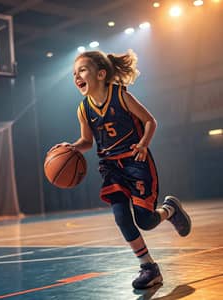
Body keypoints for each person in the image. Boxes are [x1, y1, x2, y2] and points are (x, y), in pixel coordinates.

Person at [50, 49, 191, 289]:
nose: (77, 76)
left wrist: (144, 144)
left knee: (145, 220)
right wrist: (72, 147)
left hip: (136, 162)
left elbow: (150, 121)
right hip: (110, 167)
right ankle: (149, 267)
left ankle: (170, 209)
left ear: (101, 74)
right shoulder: (83, 109)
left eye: (82, 70)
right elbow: (87, 141)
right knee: (121, 217)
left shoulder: (121, 96)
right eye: (74, 73)